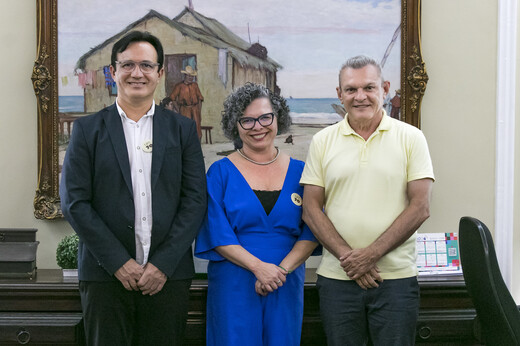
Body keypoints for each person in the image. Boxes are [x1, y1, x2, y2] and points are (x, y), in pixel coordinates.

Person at [60, 31, 207, 346]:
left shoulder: (182, 130)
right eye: (127, 65)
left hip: (168, 276)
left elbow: (194, 201)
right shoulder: (87, 131)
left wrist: (162, 264)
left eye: (146, 65)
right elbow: (74, 203)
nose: (137, 73)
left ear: (160, 73)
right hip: (105, 276)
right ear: (113, 72)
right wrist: (118, 263)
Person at [300, 55, 434, 346]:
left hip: (396, 280)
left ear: (384, 88)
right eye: (350, 89)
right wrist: (352, 261)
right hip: (337, 280)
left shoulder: (412, 138)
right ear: (339, 94)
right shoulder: (322, 141)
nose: (360, 96)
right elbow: (311, 209)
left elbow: (420, 206)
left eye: (368, 88)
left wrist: (370, 255)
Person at [195, 82, 319, 346]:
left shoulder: (302, 172)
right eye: (247, 120)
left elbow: (313, 229)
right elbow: (217, 232)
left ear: (278, 117)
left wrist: (279, 271)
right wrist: (259, 268)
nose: (257, 126)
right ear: (235, 126)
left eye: (265, 117)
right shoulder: (219, 172)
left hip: (284, 281)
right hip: (235, 281)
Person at [169, 65, 204, 139]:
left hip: (195, 110)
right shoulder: (179, 86)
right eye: (189, 76)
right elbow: (172, 98)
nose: (191, 78)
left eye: (192, 76)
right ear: (185, 76)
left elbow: (200, 98)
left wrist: (199, 111)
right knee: (185, 129)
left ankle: (197, 147)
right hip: (184, 110)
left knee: (197, 129)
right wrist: (178, 110)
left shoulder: (195, 85)